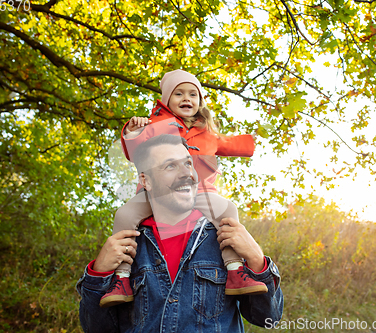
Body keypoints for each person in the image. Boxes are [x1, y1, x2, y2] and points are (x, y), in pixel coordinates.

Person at [76, 134, 283, 332]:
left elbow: (269, 318)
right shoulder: (128, 245)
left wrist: (257, 260)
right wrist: (99, 274)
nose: (186, 173)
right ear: (145, 181)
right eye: (170, 166)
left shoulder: (225, 237)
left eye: (187, 163)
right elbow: (98, 329)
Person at [100, 69, 266, 308]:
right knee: (124, 215)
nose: (186, 98)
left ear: (200, 101)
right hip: (158, 192)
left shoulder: (207, 134)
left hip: (200, 192)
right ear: (166, 100)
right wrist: (132, 130)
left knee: (227, 210)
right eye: (179, 93)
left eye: (192, 94)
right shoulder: (156, 125)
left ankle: (234, 270)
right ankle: (121, 277)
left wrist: (255, 140)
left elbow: (231, 144)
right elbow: (134, 149)